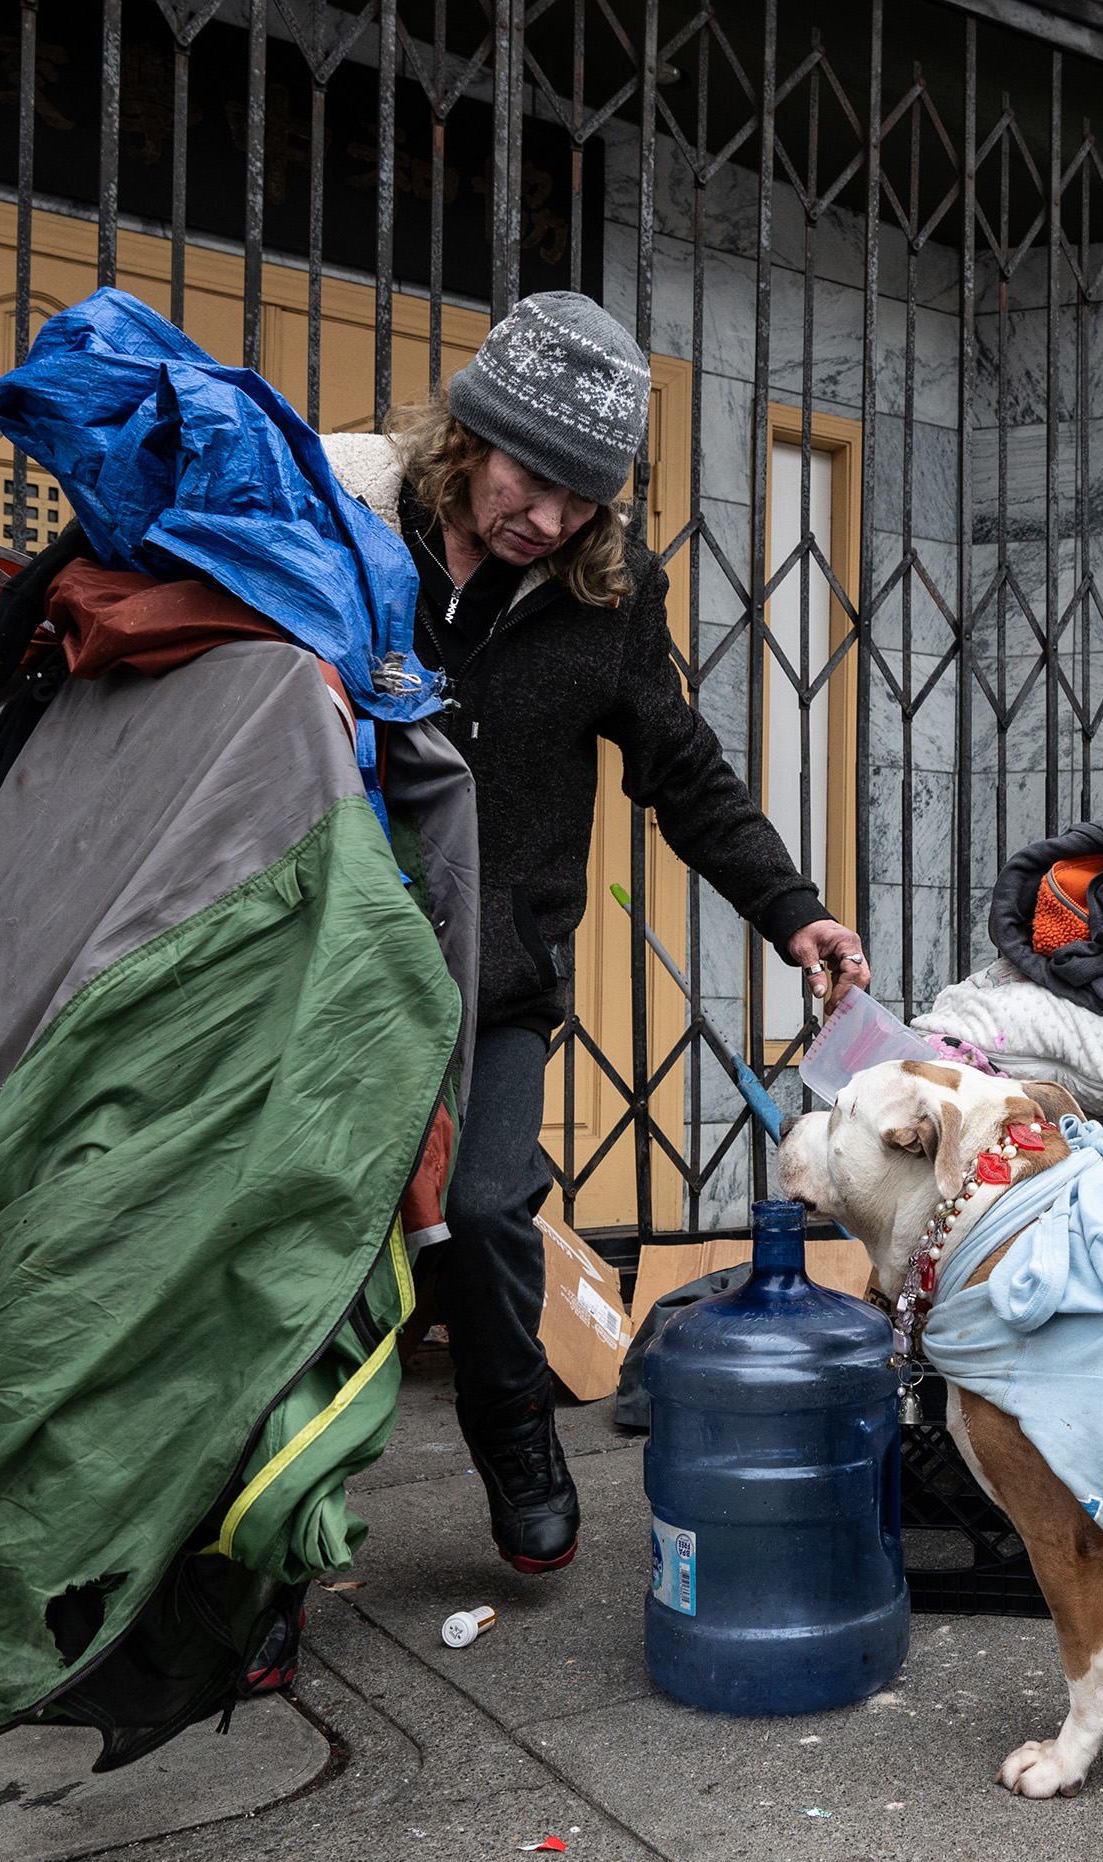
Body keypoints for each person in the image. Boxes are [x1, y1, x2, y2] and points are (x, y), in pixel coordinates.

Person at [325, 293, 869, 1576]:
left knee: (484, 1207)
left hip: (497, 967)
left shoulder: (605, 593)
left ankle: (512, 1427)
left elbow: (680, 768)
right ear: (469, 435)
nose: (551, 519)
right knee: (313, 1220)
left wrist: (793, 911)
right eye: (532, 480)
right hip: (339, 959)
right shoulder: (353, 532)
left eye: (584, 497)